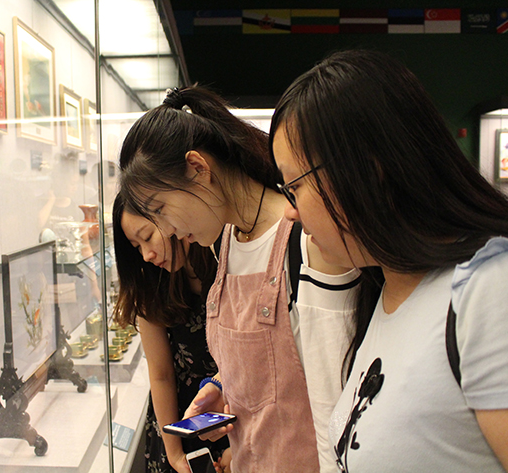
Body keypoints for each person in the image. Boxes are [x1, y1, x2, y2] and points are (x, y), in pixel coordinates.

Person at [269, 49, 508, 473]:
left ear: (368, 171)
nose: (291, 212)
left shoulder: (499, 287)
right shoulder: (386, 289)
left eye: (295, 186)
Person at [118, 85, 360, 473]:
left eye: (160, 209)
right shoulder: (226, 242)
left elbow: (337, 408)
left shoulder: (307, 241)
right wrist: (224, 387)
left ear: (198, 168)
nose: (168, 230)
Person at [112, 193, 229, 473]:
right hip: (178, 421)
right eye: (136, 246)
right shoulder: (151, 281)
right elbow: (161, 373)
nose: (146, 254)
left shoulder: (224, 255)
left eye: (148, 237)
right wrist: (175, 454)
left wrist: (239, 445)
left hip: (234, 408)